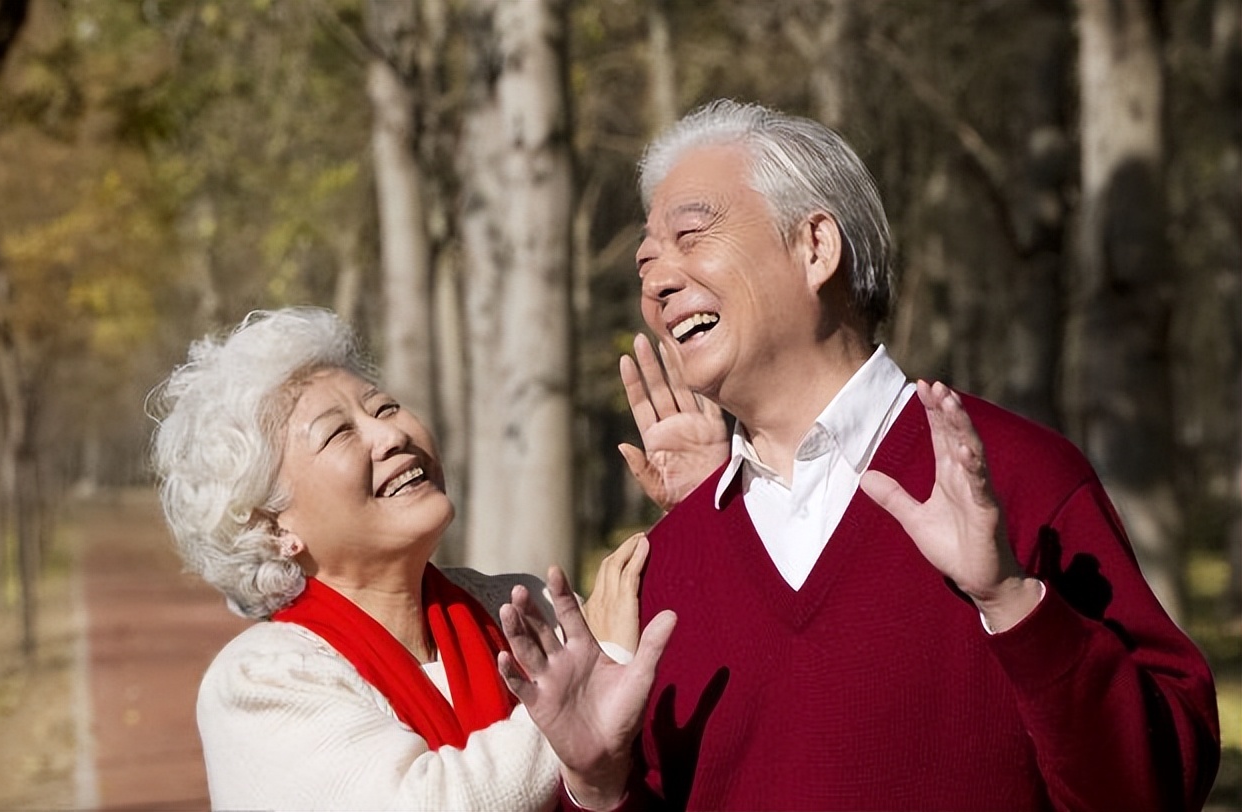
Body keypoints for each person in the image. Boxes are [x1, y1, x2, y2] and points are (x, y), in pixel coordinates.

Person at [498, 100, 1221, 811]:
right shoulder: (671, 564)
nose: (656, 282)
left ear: (816, 246)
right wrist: (597, 787)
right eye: (646, 263)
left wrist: (1012, 601)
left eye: (691, 235)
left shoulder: (1017, 476)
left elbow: (1157, 786)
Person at [148, 306, 675, 810]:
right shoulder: (260, 680)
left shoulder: (520, 605)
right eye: (338, 432)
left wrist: (703, 498)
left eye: (384, 407)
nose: (391, 435)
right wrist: (590, 676)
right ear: (272, 525)